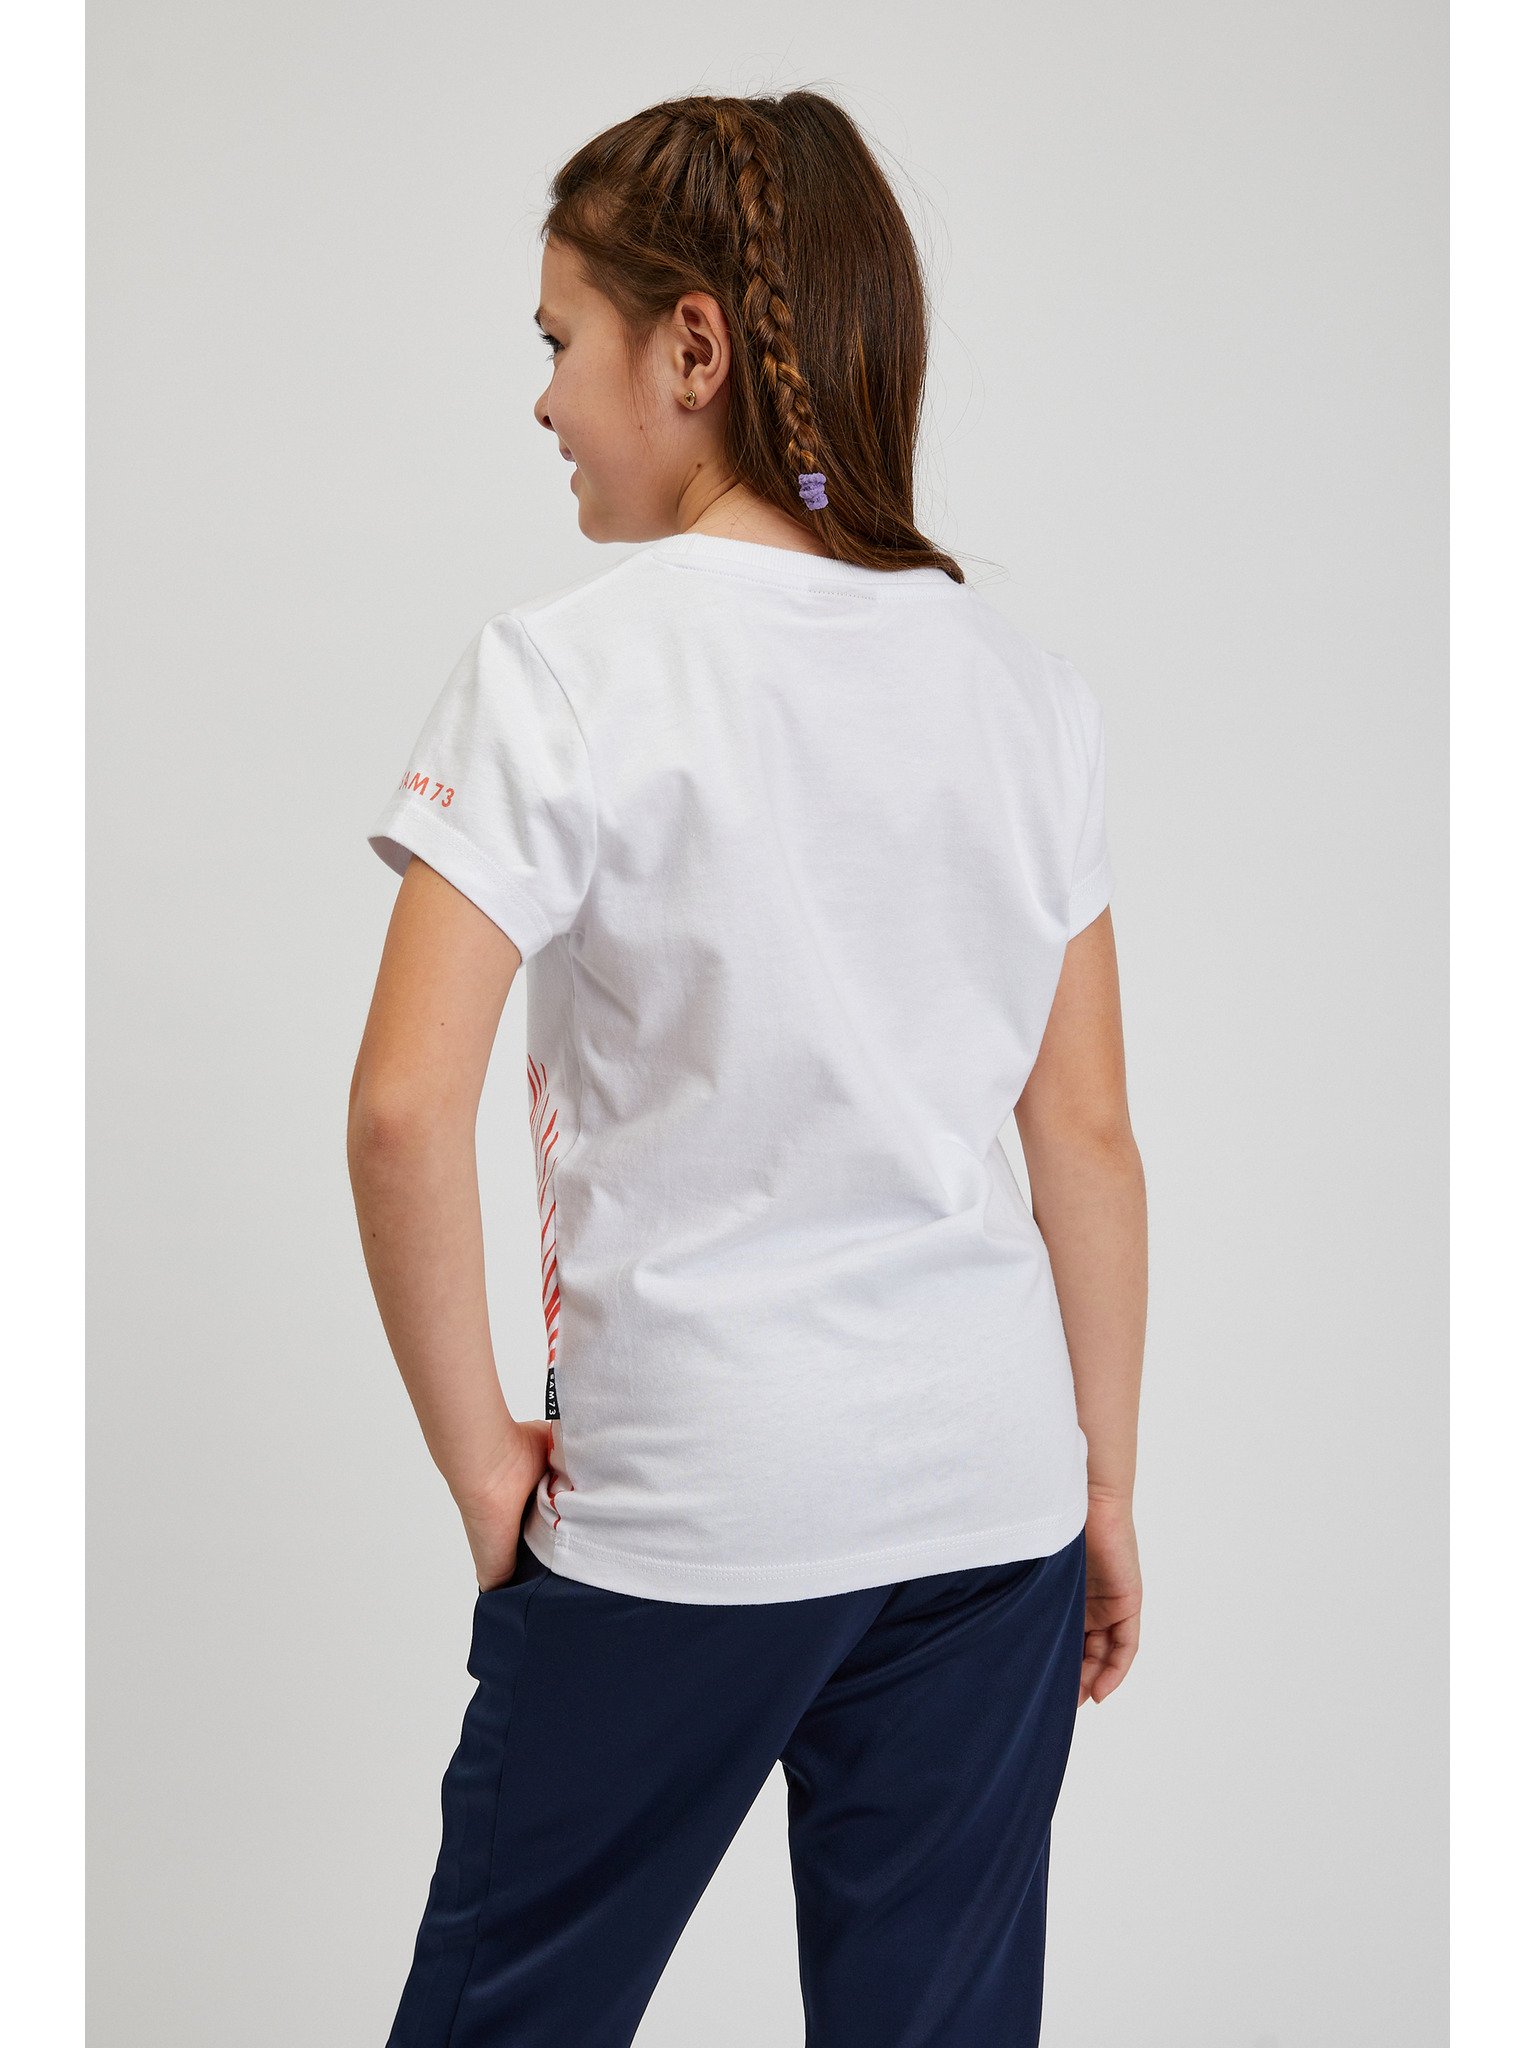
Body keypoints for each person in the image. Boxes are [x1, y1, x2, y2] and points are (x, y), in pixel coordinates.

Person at [348, 88, 1146, 2048]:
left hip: (692, 1502)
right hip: (990, 1505)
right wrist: (1104, 1482)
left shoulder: (562, 672)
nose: (544, 400)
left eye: (563, 339)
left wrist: (480, 1465)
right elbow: (1086, 1135)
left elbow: (400, 1107)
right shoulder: (1026, 694)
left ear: (690, 346)